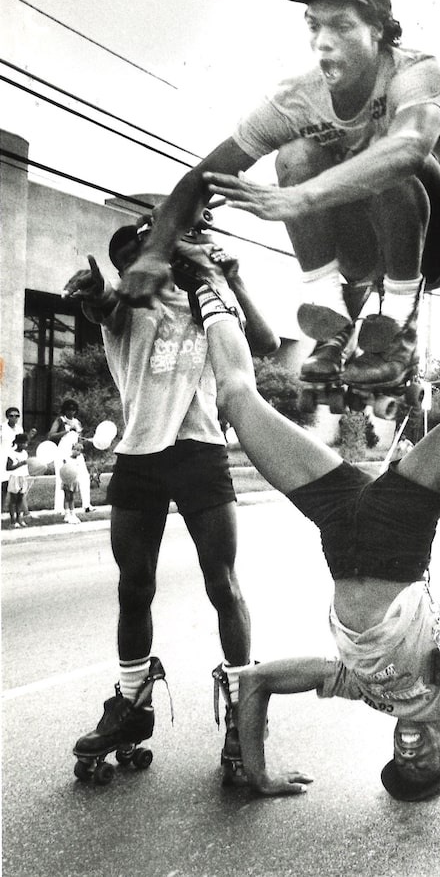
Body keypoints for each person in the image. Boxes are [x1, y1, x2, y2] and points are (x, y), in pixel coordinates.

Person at [177, 237, 440, 833]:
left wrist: (259, 771)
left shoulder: (363, 690)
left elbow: (259, 679)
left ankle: (203, 282)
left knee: (238, 399)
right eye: (427, 764)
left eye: (402, 768)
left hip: (337, 523)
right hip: (401, 525)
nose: (409, 757)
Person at [115, 0, 440, 394]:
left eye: (341, 27)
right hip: (365, 245)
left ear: (378, 30)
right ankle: (332, 317)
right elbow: (202, 177)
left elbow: (409, 149)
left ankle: (399, 331)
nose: (324, 44)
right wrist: (154, 252)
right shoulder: (298, 98)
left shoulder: (414, 70)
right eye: (314, 27)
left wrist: (301, 198)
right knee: (295, 155)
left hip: (436, 240)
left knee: (384, 160)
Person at [62, 227, 279, 777]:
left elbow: (267, 341)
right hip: (139, 455)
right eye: (128, 262)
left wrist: (231, 278)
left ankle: (241, 706)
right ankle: (133, 703)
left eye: (148, 252)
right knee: (133, 587)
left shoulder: (206, 297)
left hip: (199, 452)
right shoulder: (126, 306)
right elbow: (102, 305)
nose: (144, 266)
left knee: (222, 584)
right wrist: (94, 289)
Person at [49, 399, 93, 514]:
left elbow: (79, 438)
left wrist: (80, 445)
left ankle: (87, 505)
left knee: (84, 477)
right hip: (62, 452)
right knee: (62, 479)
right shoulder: (60, 420)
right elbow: (51, 435)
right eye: (69, 409)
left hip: (76, 453)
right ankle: (59, 508)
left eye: (73, 409)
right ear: (65, 410)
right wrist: (66, 431)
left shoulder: (77, 422)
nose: (71, 412)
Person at [2, 407, 37, 520]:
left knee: (19, 488)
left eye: (17, 416)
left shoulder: (19, 428)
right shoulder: (2, 428)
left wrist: (30, 436)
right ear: (7, 417)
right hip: (4, 458)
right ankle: (1, 511)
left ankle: (23, 513)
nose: (14, 418)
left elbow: (23, 442)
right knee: (4, 486)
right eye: (11, 415)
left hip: (16, 459)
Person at [5, 432, 32, 528]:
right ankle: (13, 520)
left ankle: (19, 518)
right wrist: (20, 464)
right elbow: (8, 467)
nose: (25, 445)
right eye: (23, 443)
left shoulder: (25, 453)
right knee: (13, 499)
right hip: (15, 477)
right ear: (18, 443)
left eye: (26, 443)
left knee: (20, 498)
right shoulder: (12, 453)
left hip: (23, 476)